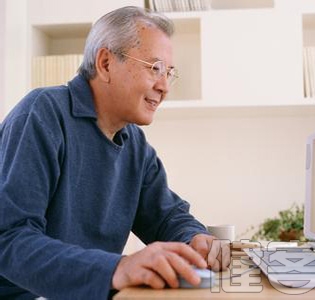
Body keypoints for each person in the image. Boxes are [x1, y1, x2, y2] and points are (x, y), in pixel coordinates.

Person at [0, 6, 230, 299]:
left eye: (169, 73)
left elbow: (166, 217)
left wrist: (195, 238)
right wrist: (116, 269)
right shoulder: (43, 113)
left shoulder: (135, 145)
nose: (163, 86)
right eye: (154, 68)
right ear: (106, 63)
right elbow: (8, 238)